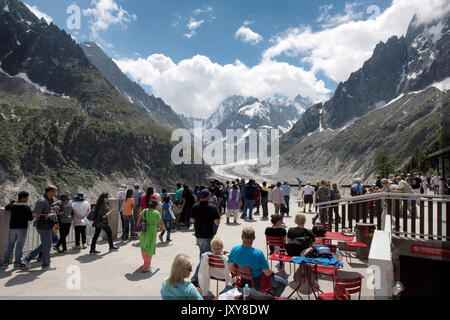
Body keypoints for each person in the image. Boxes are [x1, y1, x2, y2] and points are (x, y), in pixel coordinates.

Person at [228, 227, 288, 297]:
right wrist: (272, 272)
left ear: (242, 237)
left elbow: (231, 269)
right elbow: (267, 273)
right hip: (258, 283)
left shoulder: (234, 250)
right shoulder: (258, 254)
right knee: (283, 283)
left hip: (243, 282)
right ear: (254, 238)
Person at [23, 186, 59, 271]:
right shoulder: (41, 200)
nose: (56, 193)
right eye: (55, 191)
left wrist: (52, 209)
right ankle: (46, 265)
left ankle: (28, 258)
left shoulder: (48, 199)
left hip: (48, 225)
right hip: (43, 226)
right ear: (50, 191)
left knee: (47, 243)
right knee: (47, 245)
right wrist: (48, 215)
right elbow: (35, 214)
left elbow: (45, 210)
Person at [190, 189, 221, 287]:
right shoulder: (212, 207)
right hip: (208, 235)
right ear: (207, 196)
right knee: (204, 258)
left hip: (198, 235)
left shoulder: (195, 206)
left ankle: (202, 275)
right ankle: (195, 278)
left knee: (202, 256)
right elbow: (217, 222)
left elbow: (192, 220)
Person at [1, 191, 33, 270]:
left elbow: (6, 207)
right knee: (19, 246)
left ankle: (4, 263)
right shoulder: (26, 207)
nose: (27, 199)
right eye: (27, 197)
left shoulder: (12, 206)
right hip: (22, 229)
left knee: (10, 245)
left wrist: (13, 202)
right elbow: (30, 218)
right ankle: (17, 264)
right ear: (24, 197)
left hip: (12, 228)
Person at [137, 200, 166, 273]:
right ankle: (146, 267)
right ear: (155, 206)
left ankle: (145, 261)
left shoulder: (144, 210)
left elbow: (139, 219)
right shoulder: (156, 213)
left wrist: (137, 228)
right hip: (151, 232)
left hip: (143, 231)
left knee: (143, 247)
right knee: (150, 248)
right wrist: (164, 229)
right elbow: (160, 223)